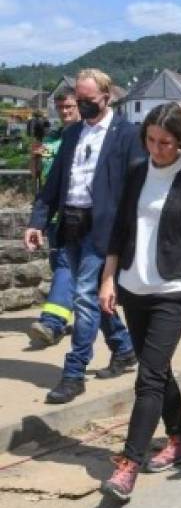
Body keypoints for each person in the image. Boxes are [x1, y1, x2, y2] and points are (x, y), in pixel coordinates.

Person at [96, 103, 181, 501]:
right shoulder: (137, 173)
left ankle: (129, 464)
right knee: (159, 370)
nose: (157, 149)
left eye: (165, 142)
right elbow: (119, 230)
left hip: (174, 290)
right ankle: (179, 438)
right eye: (150, 140)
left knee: (147, 377)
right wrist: (109, 278)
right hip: (133, 287)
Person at [24, 68, 139, 404]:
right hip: (69, 224)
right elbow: (55, 182)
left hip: (103, 230)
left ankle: (74, 373)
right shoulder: (73, 133)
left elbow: (136, 187)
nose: (83, 105)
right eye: (79, 99)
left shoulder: (126, 134)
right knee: (91, 297)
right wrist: (37, 222)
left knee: (84, 296)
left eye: (89, 100)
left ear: (107, 96)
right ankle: (124, 347)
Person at [28, 88, 80, 347]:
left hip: (74, 211)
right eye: (61, 108)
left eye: (70, 107)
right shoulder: (54, 137)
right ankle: (121, 343)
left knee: (65, 264)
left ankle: (53, 321)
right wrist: (35, 156)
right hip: (52, 212)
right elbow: (36, 173)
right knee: (60, 264)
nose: (65, 112)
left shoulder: (84, 135)